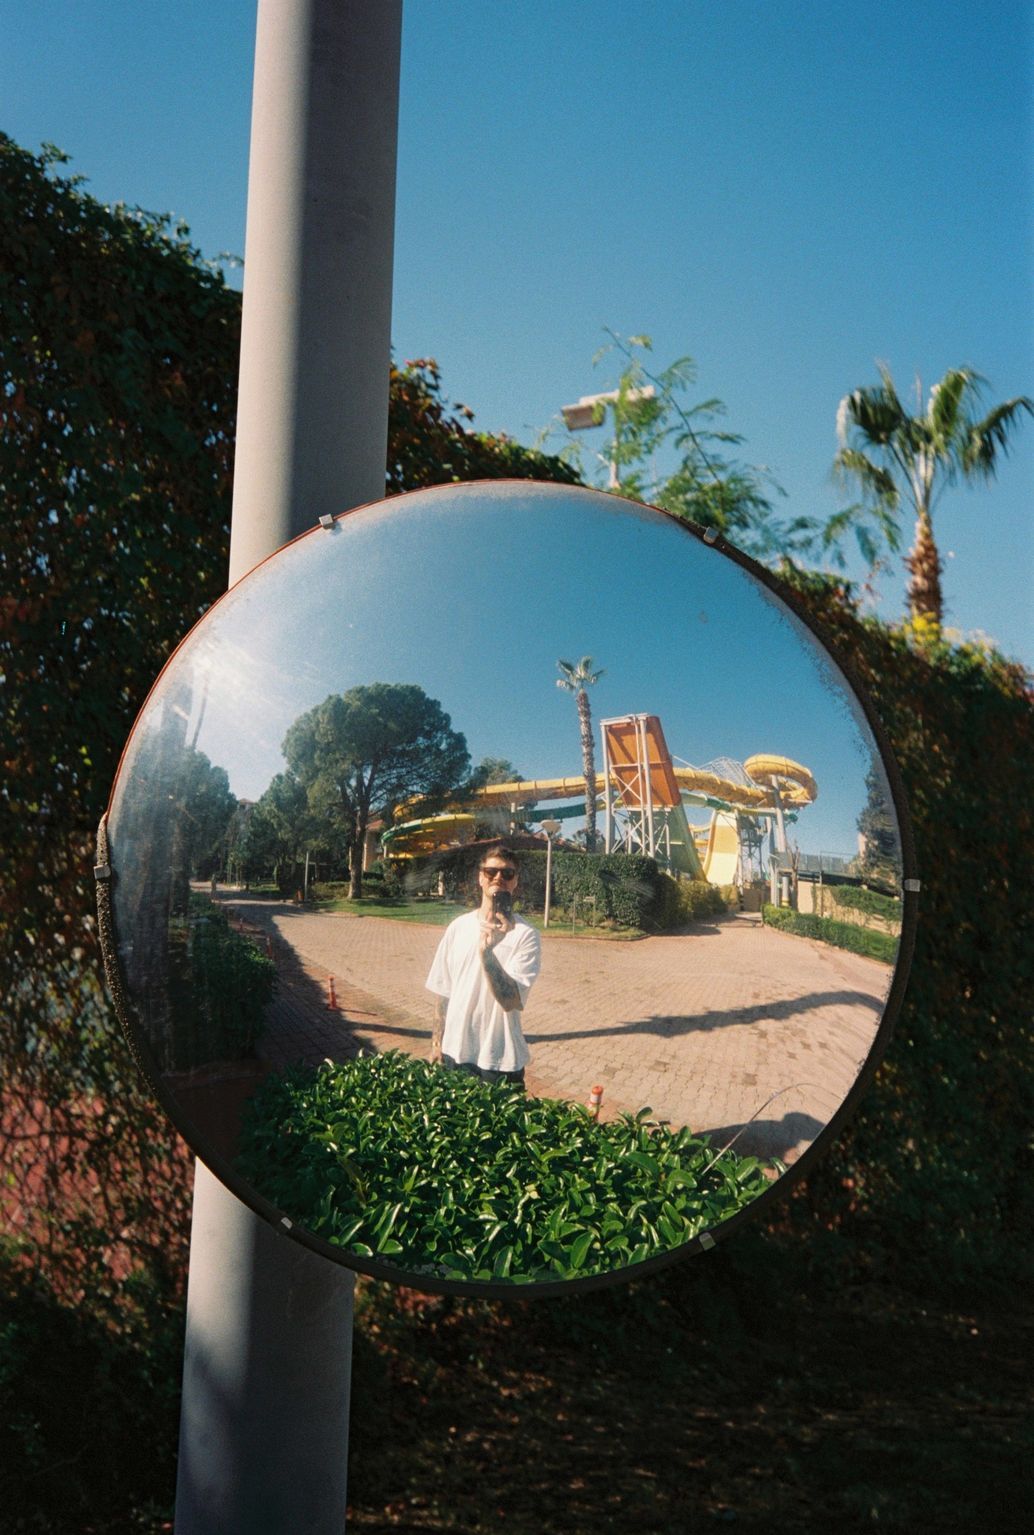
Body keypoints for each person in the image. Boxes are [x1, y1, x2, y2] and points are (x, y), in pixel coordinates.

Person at [425, 845, 541, 1086]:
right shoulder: (458, 927)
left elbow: (511, 1001)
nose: (499, 877)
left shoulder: (526, 935)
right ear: (480, 878)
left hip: (499, 1060)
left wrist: (487, 954)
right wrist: (437, 1043)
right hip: (454, 1052)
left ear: (515, 882)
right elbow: (443, 990)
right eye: (491, 872)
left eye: (507, 874)